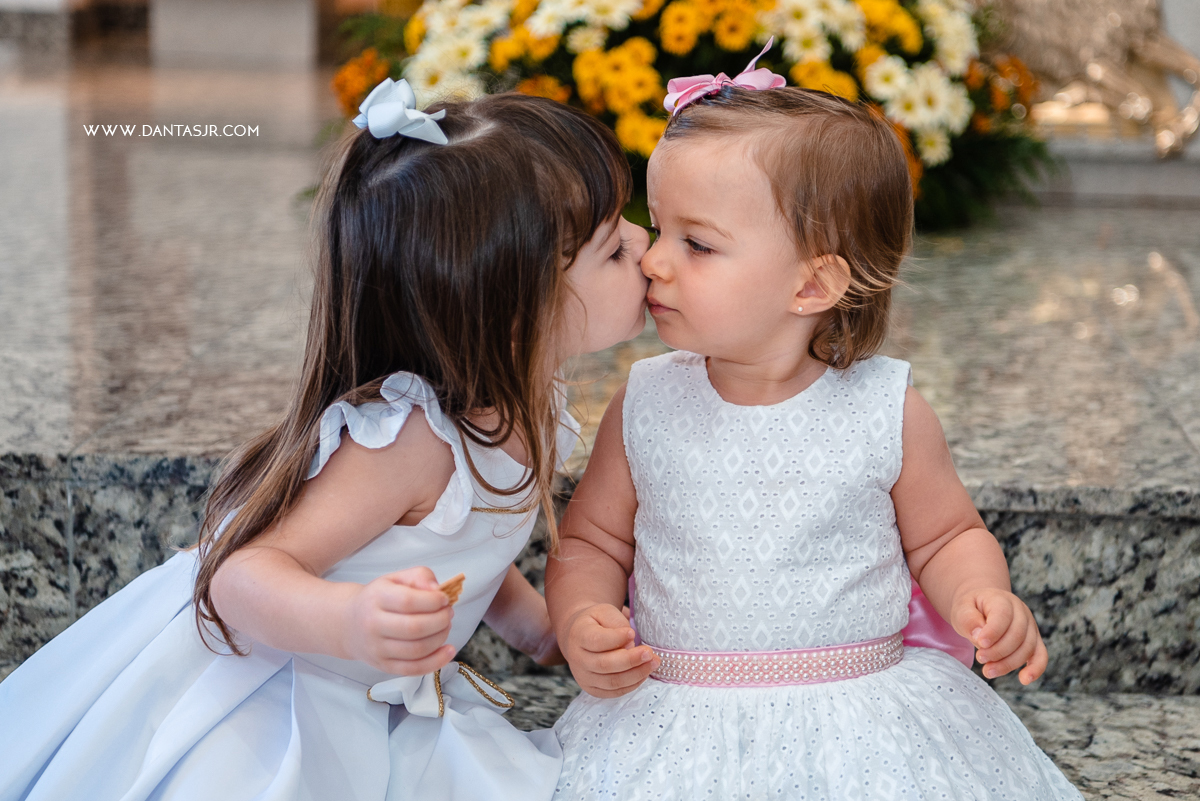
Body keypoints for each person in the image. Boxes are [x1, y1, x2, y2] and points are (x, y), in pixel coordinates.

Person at [0, 80, 651, 801]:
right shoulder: (411, 442)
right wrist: (349, 620)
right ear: (514, 306)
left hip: (365, 686)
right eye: (614, 247)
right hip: (267, 689)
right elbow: (239, 574)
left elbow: (468, 538)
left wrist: (539, 628)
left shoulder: (523, 399)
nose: (644, 244)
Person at [546, 55, 1085, 799]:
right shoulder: (644, 401)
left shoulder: (882, 407)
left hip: (863, 713)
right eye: (657, 227)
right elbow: (591, 540)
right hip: (676, 712)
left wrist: (981, 596)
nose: (655, 261)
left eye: (695, 243)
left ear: (811, 284)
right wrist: (583, 616)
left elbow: (946, 535)